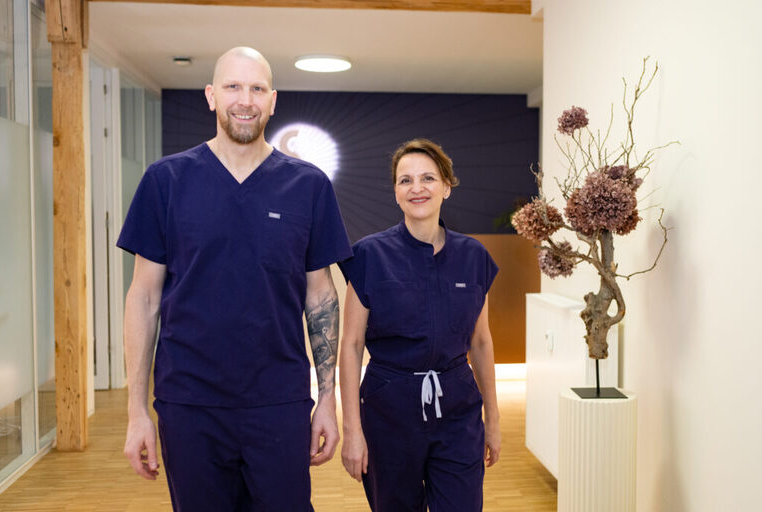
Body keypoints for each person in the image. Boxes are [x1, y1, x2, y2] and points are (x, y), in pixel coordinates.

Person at [117, 46, 352, 511]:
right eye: (233, 87)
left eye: (257, 88)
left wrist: (327, 399)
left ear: (273, 100)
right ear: (210, 96)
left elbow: (320, 295)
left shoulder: (308, 186)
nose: (245, 99)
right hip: (189, 403)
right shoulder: (166, 181)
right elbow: (143, 298)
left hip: (279, 403)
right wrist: (136, 410)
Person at [338, 139, 501, 512]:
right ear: (395, 192)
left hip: (458, 408)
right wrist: (353, 430)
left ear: (446, 186)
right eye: (405, 180)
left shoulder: (473, 256)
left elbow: (480, 341)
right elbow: (350, 345)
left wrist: (492, 419)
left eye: (428, 178)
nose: (417, 188)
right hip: (388, 410)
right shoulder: (368, 255)